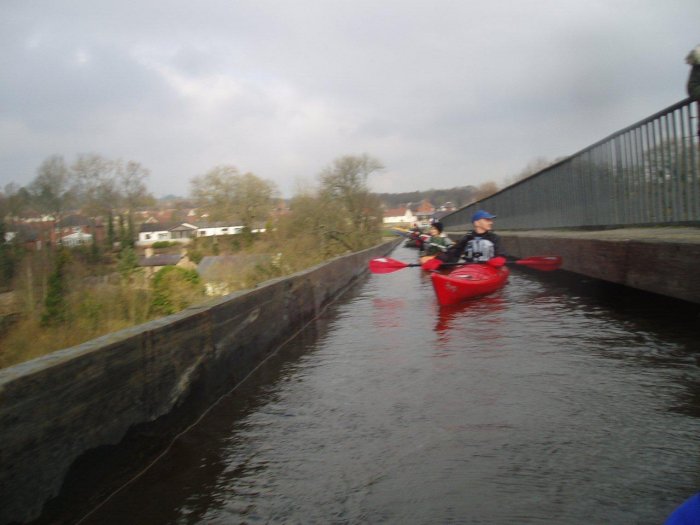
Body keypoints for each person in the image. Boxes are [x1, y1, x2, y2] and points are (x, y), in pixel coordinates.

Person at [438, 209, 507, 264]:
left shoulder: (494, 238)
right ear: (476, 223)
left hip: (489, 268)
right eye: (487, 220)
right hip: (471, 268)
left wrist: (500, 258)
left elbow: (501, 252)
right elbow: (454, 251)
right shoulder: (468, 237)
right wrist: (439, 259)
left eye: (490, 220)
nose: (491, 222)